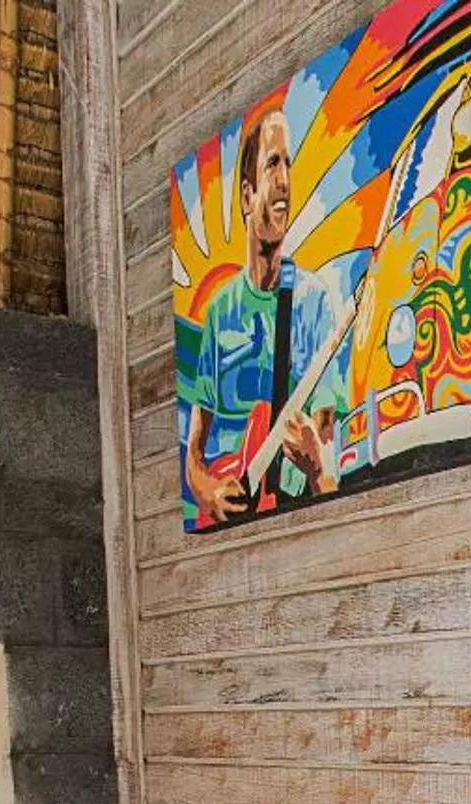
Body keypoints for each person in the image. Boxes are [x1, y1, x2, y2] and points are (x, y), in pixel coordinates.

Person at [181, 105, 350, 528]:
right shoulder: (220, 312)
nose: (285, 182)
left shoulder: (313, 301)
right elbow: (193, 459)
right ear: (246, 196)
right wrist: (209, 492)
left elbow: (327, 452)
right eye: (273, 163)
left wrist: (316, 464)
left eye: (289, 164)